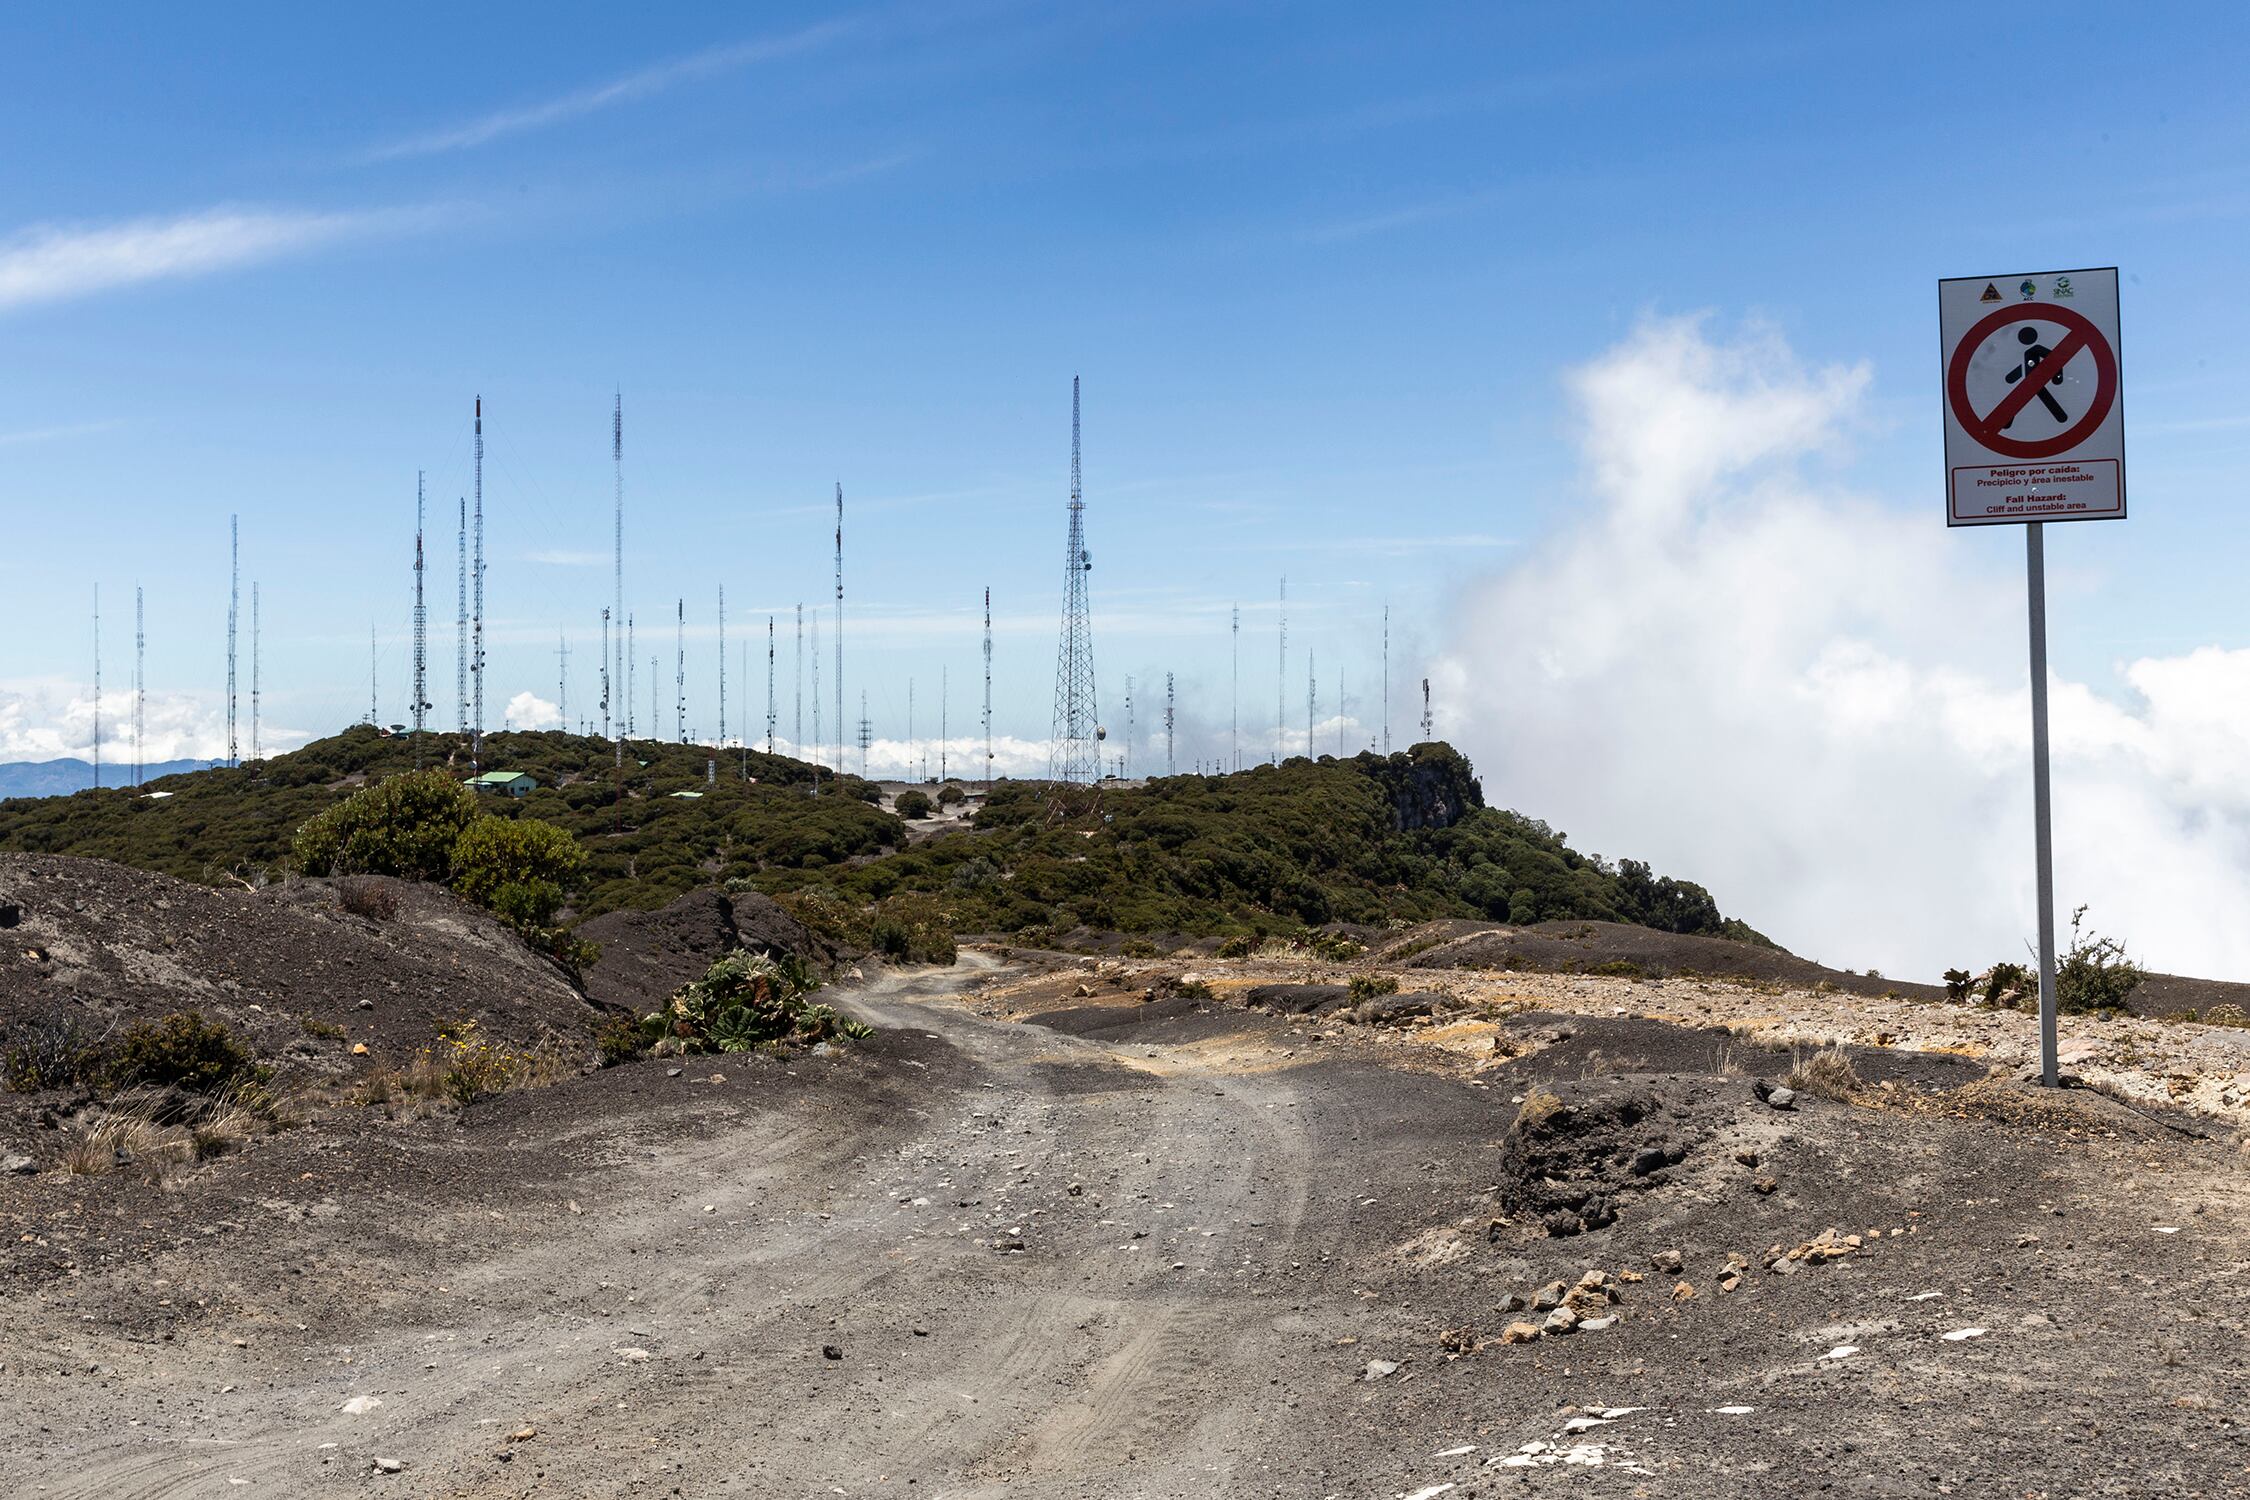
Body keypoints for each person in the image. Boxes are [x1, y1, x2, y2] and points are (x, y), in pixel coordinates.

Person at [2002, 325, 2068, 427]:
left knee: (2029, 397)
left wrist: (2057, 376)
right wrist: (2012, 377)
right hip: (2031, 380)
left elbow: (2055, 361)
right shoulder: (2031, 351)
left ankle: (2003, 422)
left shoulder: (2036, 350)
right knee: (2039, 397)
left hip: (2035, 380)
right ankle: (2061, 417)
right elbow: (2055, 360)